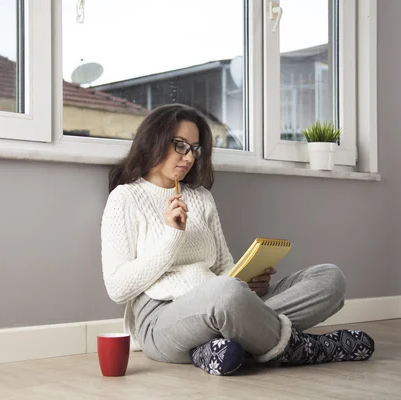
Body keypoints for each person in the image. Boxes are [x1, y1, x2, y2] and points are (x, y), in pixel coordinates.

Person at [100, 104, 375, 376]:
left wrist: (248, 282)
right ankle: (306, 348)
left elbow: (223, 270)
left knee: (329, 278)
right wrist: (172, 236)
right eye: (180, 145)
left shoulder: (200, 197)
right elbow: (117, 289)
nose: (189, 157)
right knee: (227, 295)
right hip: (162, 319)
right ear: (153, 141)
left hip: (223, 304)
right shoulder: (125, 198)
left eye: (195, 149)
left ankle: (217, 349)